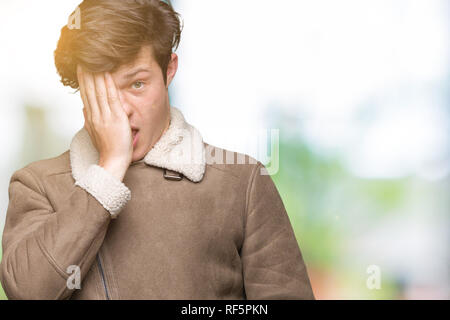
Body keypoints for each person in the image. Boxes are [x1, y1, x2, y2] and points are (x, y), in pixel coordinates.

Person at [0, 0, 314, 300]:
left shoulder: (241, 182)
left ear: (168, 71)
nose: (121, 111)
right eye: (102, 91)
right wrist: (109, 167)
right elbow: (28, 292)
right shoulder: (38, 184)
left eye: (137, 84)